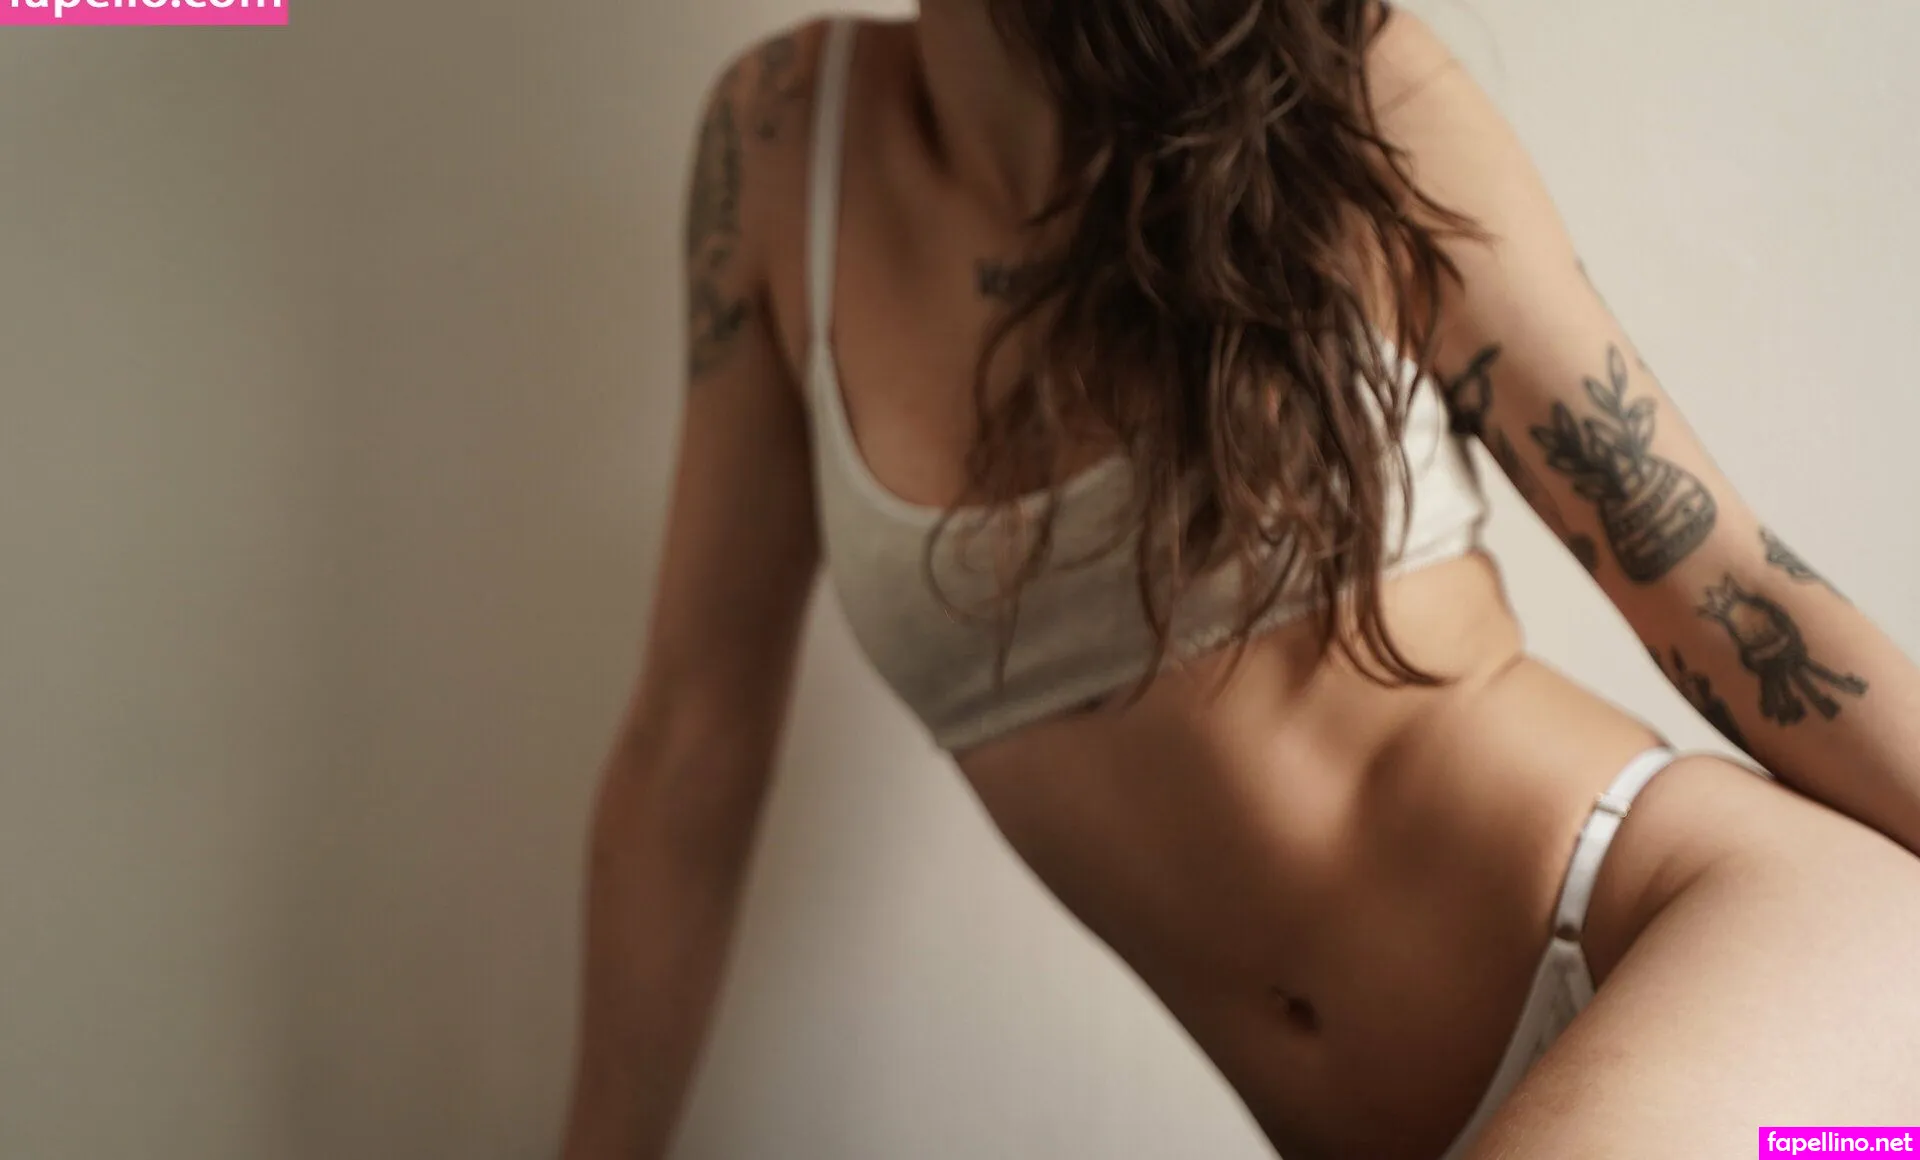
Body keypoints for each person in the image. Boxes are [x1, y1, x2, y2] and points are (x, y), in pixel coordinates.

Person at [559, 4, 1920, 1157]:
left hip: (1725, 964)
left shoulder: (1342, 78)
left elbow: (1728, 589)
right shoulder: (782, 145)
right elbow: (690, 748)